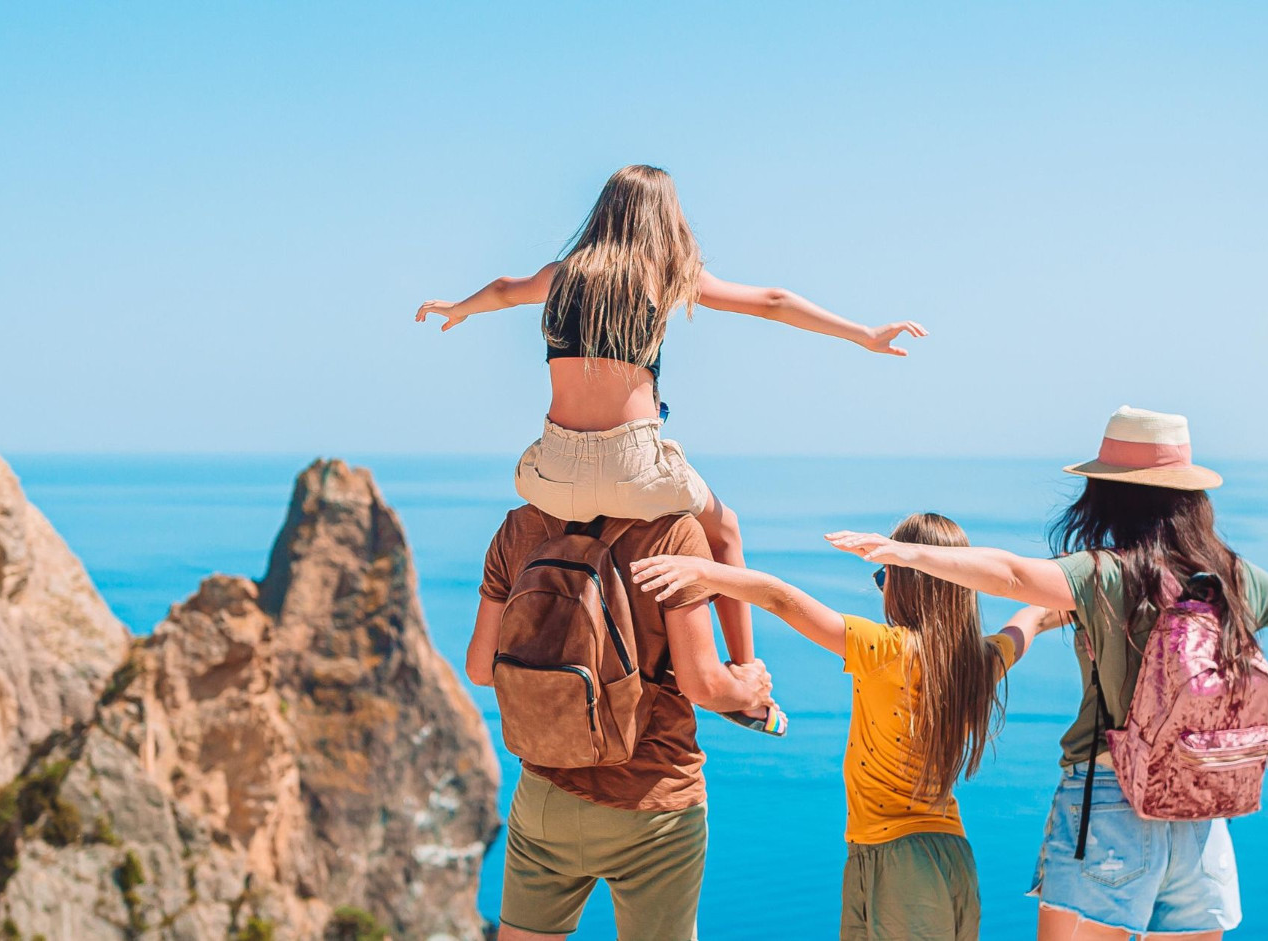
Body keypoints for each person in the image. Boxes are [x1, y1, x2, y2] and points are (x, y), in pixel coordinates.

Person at [418, 164, 924, 733]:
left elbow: (506, 291)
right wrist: (863, 334)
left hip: (552, 468)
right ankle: (746, 680)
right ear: (664, 219)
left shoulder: (560, 275)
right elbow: (772, 301)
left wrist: (458, 308)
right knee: (725, 529)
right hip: (633, 467)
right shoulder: (663, 274)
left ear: (604, 213)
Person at [828, 406, 1268, 940]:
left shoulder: (1106, 572)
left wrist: (905, 553)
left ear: (1109, 494)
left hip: (1108, 803)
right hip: (1203, 806)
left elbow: (1011, 574)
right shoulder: (1236, 577)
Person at [632, 512, 1060, 939]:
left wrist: (703, 571)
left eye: (884, 576)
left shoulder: (884, 650)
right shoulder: (983, 661)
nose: (882, 586)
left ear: (907, 583)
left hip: (899, 862)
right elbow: (1033, 619)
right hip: (938, 854)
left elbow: (781, 599)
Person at [467, 503, 773, 940]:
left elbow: (481, 669)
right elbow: (703, 684)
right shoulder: (670, 532)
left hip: (545, 795)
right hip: (652, 800)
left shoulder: (522, 525)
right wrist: (750, 690)